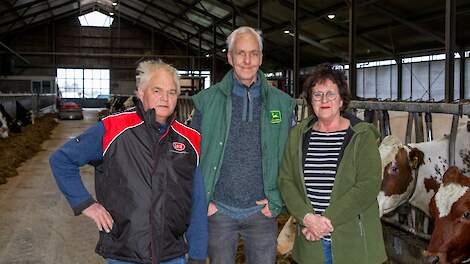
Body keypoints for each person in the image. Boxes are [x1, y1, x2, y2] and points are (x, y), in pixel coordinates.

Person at [49, 60, 208, 264]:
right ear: (141, 93)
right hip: (124, 254)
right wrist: (86, 203)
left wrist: (198, 255)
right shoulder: (113, 129)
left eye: (171, 92)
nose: (165, 98)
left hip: (172, 255)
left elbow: (197, 200)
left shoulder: (189, 139)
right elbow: (62, 160)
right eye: (157, 90)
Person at [190, 26, 295, 264]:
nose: (247, 60)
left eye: (254, 53)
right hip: (219, 211)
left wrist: (277, 200)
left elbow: (290, 157)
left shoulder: (283, 104)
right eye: (240, 53)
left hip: (263, 212)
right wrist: (204, 200)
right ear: (229, 57)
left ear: (261, 57)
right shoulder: (207, 102)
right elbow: (191, 156)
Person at [278, 63, 387, 264]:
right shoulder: (297, 136)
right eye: (317, 94)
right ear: (310, 101)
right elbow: (286, 180)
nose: (324, 99)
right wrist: (308, 218)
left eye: (330, 93)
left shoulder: (361, 136)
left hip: (353, 242)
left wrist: (325, 221)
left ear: (342, 100)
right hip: (311, 240)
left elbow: (367, 186)